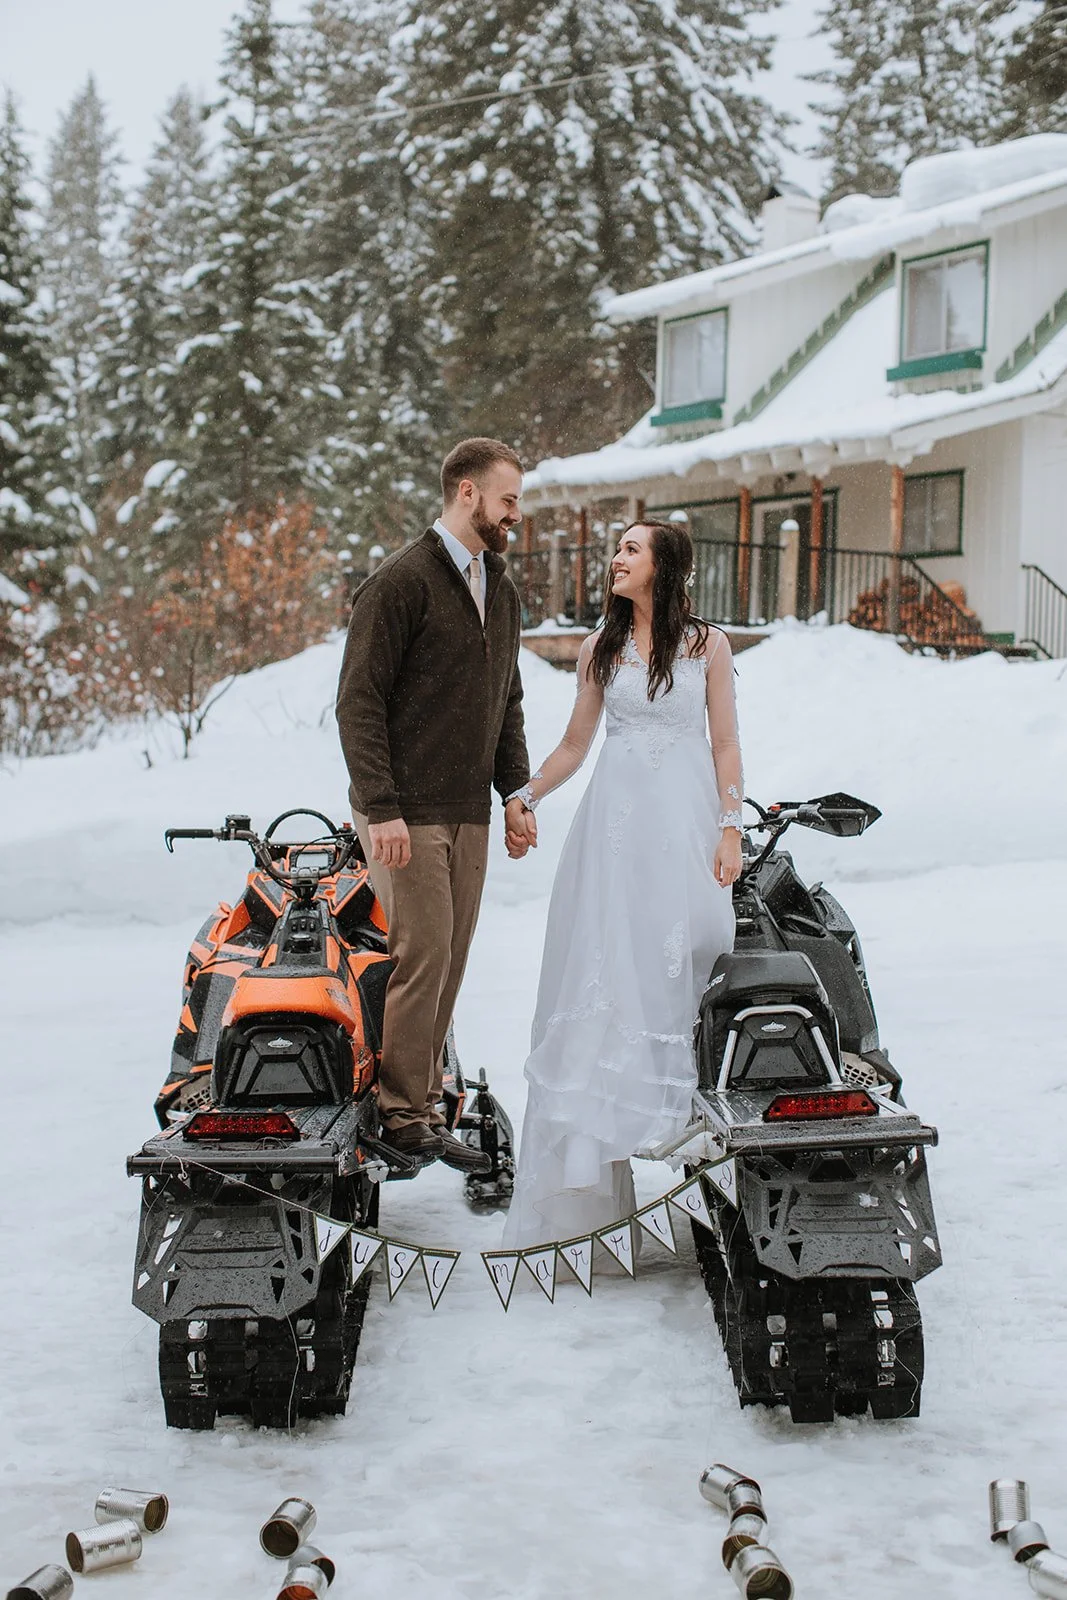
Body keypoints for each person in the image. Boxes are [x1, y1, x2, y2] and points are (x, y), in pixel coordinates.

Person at [501, 520, 743, 1246]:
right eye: (617, 549)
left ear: (664, 565)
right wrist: (526, 794)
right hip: (614, 830)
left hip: (687, 822)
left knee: (690, 951)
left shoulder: (707, 646)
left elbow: (725, 741)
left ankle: (699, 1126)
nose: (616, 559)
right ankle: (590, 1183)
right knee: (607, 970)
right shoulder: (597, 648)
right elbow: (576, 743)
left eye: (631, 550)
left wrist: (730, 826)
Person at [335, 437, 538, 1172]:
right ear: (465, 493)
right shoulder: (400, 581)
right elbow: (358, 702)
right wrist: (380, 807)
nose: (517, 514)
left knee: (450, 957)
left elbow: (504, 700)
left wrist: (514, 792)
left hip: (468, 808)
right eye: (508, 499)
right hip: (403, 808)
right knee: (421, 954)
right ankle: (401, 1115)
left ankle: (418, 1097)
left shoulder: (501, 587)